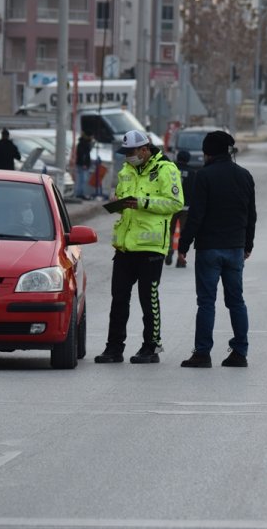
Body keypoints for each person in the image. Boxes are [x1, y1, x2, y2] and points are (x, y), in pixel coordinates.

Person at [94, 130, 184, 365]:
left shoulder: (166, 169)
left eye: (131, 152)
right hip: (125, 246)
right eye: (125, 153)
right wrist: (117, 202)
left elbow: (176, 203)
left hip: (151, 247)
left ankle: (150, 347)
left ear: (145, 150)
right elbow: (124, 199)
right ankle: (114, 348)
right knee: (119, 299)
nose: (128, 157)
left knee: (148, 299)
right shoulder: (126, 171)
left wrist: (143, 202)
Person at [177, 130, 256, 368]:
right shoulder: (245, 176)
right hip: (235, 248)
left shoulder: (204, 176)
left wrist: (183, 245)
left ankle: (202, 353)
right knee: (236, 301)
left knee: (206, 302)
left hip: (209, 248)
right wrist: (248, 244)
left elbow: (196, 215)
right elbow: (251, 215)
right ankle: (239, 352)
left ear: (208, 153)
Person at [166, 150, 196, 268]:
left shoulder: (170, 170)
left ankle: (169, 249)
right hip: (186, 207)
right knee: (183, 233)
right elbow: (195, 191)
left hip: (171, 206)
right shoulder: (193, 173)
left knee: (170, 230)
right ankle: (180, 258)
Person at [74, 131, 94, 199]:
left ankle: (79, 193)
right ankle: (80, 194)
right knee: (83, 179)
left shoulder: (82, 143)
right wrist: (84, 164)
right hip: (83, 164)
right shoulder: (84, 144)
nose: (92, 138)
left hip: (82, 164)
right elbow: (83, 154)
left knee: (81, 179)